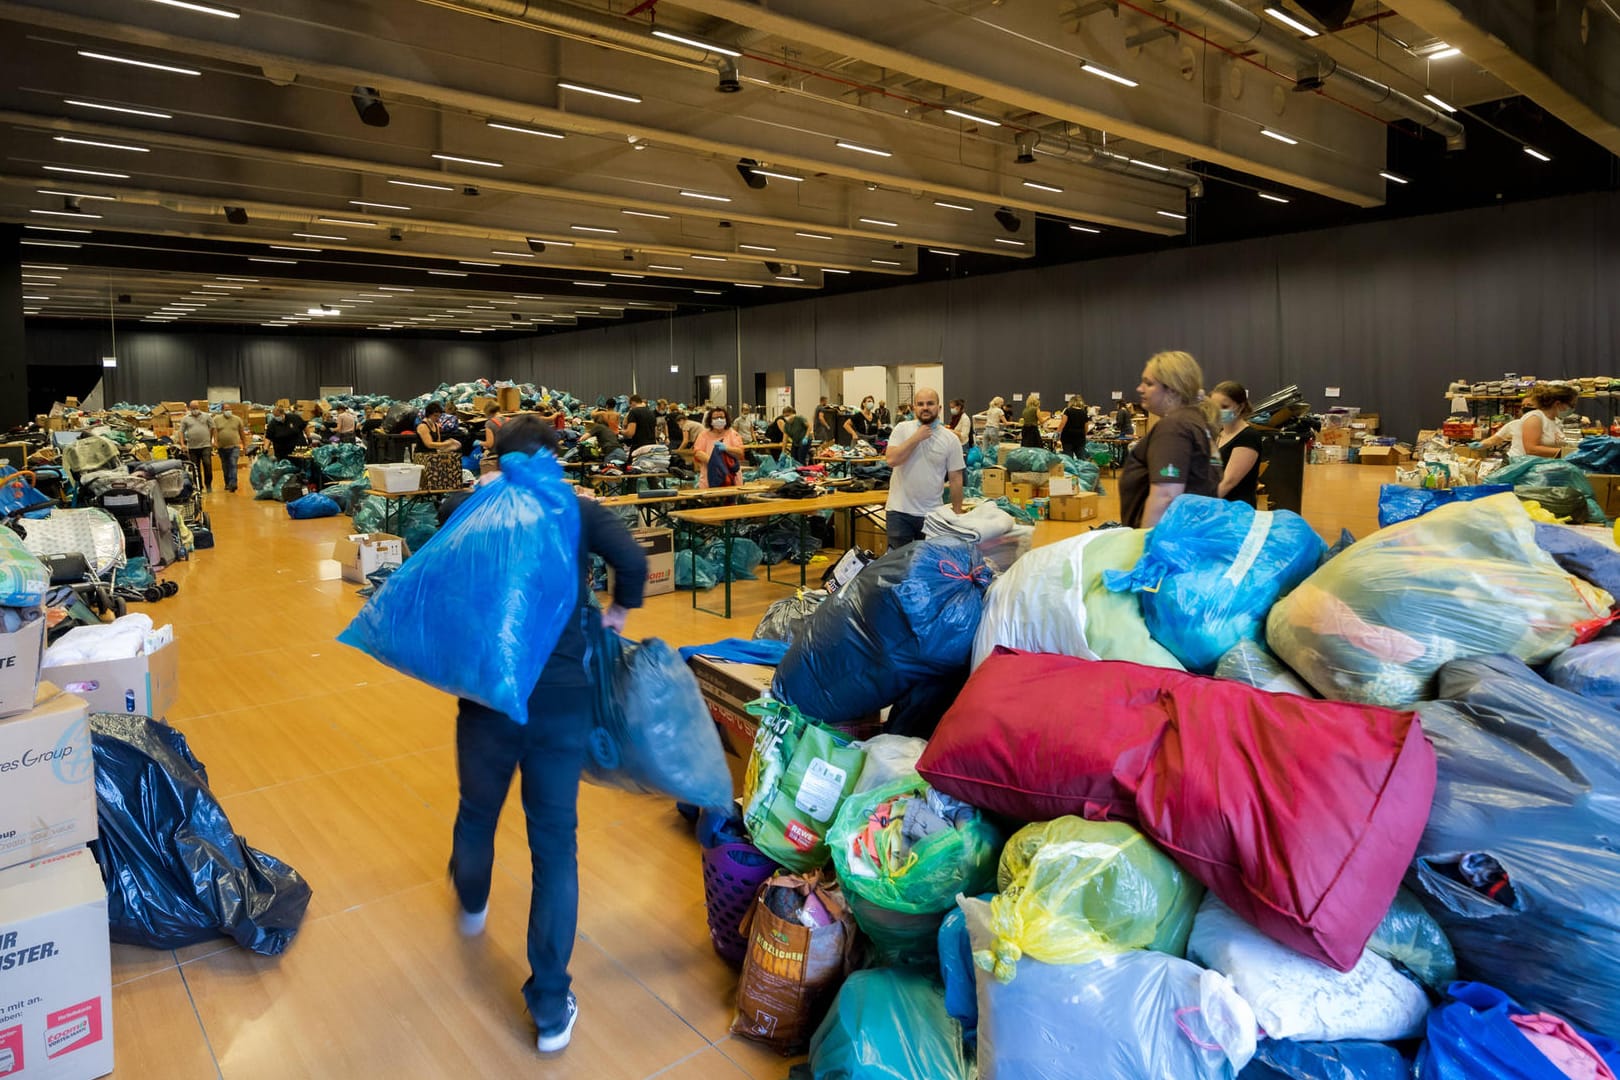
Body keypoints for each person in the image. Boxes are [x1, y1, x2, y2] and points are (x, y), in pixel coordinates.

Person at [447, 414, 647, 1057]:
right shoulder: (580, 509)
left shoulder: (470, 506)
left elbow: (435, 579)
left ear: (496, 458)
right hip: (562, 700)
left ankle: (472, 901)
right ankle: (552, 1007)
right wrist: (616, 608)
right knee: (554, 846)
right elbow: (634, 561)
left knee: (478, 812)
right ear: (555, 458)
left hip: (487, 697)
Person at [1119, 351, 1220, 528]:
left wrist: (1149, 549)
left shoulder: (1174, 427)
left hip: (1170, 542)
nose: (1140, 388)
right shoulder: (1196, 422)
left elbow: (1165, 496)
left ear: (1172, 389)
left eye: (1148, 383)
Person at [884, 387, 965, 548]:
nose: (925, 407)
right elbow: (891, 460)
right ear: (914, 408)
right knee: (897, 565)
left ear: (939, 408)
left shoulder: (950, 439)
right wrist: (916, 438)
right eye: (920, 404)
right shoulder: (902, 429)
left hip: (932, 514)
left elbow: (956, 479)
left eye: (930, 403)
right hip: (899, 512)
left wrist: (957, 513)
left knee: (928, 565)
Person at [1479, 384, 1577, 460]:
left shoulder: (1556, 422)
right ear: (1558, 404)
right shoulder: (1535, 417)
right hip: (1520, 468)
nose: (1572, 408)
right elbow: (1531, 449)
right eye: (1571, 405)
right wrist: (1567, 452)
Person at [1211, 381, 1263, 506]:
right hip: (1217, 506)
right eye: (1214, 406)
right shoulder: (1218, 434)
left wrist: (1203, 504)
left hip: (1237, 511)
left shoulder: (1248, 436)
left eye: (1224, 407)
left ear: (1240, 407)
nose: (1218, 411)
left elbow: (1229, 482)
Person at [694, 406, 745, 488]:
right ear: (710, 421)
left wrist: (727, 448)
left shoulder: (733, 434)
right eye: (715, 418)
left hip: (732, 477)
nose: (719, 420)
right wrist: (714, 462)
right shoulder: (703, 435)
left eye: (721, 417)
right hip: (709, 476)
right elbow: (698, 453)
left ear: (726, 419)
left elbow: (740, 452)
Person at [179, 402, 215, 492]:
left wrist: (212, 440)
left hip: (205, 445)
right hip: (192, 447)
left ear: (199, 407)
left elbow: (213, 428)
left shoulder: (207, 416)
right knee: (195, 467)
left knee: (207, 464)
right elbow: (181, 432)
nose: (195, 410)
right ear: (189, 408)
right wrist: (182, 444)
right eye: (193, 408)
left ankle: (208, 484)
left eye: (196, 408)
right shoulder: (185, 419)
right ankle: (199, 486)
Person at [212, 407, 248, 494]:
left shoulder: (237, 419)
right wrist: (214, 442)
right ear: (222, 410)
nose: (228, 411)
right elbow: (214, 431)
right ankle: (227, 483)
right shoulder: (216, 419)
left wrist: (245, 444)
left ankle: (233, 483)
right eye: (226, 409)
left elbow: (242, 433)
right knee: (225, 466)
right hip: (222, 447)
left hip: (234, 446)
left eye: (229, 409)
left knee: (233, 463)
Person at [981, 396, 1007, 462]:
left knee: (984, 449)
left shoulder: (990, 410)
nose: (1002, 404)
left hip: (986, 430)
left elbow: (980, 414)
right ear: (999, 403)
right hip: (994, 430)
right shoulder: (999, 411)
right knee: (995, 449)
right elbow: (1005, 423)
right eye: (1002, 403)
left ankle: (984, 463)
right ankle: (994, 463)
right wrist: (1014, 423)